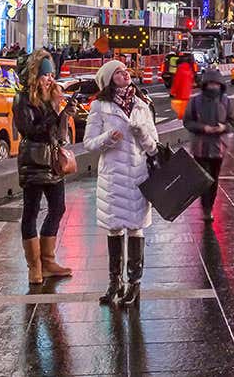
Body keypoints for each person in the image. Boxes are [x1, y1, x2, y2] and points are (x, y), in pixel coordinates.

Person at [84, 60, 158, 306]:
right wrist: (108, 138)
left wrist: (141, 134)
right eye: (118, 72)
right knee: (114, 229)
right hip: (113, 178)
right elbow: (89, 143)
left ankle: (134, 285)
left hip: (137, 176)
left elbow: (153, 146)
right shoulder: (99, 106)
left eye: (126, 71)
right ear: (108, 79)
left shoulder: (141, 104)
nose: (125, 74)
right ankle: (114, 283)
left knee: (136, 229)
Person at [13, 50, 74, 285]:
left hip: (53, 163)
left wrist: (64, 114)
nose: (50, 79)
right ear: (35, 75)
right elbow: (30, 130)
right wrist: (54, 115)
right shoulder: (23, 99)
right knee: (31, 211)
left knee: (58, 208)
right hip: (33, 162)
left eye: (52, 75)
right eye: (46, 75)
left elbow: (58, 134)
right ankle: (34, 266)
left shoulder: (52, 97)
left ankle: (48, 261)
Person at [183, 73, 234, 221]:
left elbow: (232, 122)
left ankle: (209, 206)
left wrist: (223, 128)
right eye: (210, 84)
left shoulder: (226, 101)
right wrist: (203, 128)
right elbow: (188, 122)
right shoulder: (195, 102)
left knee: (214, 178)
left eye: (216, 84)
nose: (213, 87)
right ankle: (206, 208)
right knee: (204, 179)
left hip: (219, 148)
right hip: (200, 147)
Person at [169, 54, 195, 119]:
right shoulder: (189, 68)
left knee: (180, 105)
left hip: (180, 91)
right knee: (185, 104)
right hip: (187, 91)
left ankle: (182, 117)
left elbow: (176, 81)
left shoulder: (180, 69)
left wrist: (172, 92)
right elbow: (191, 79)